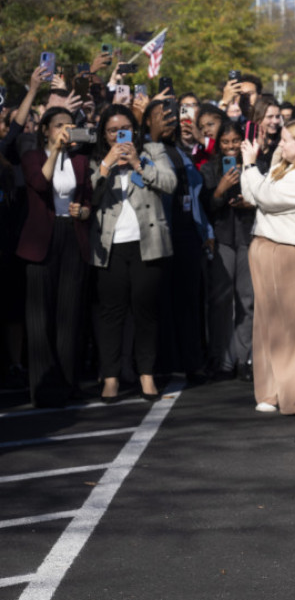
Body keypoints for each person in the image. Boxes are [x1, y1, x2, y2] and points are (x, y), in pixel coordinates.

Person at [240, 118, 295, 417]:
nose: (281, 143)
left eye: (287, 140)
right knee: (266, 323)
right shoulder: (284, 168)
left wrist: (251, 166)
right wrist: (260, 166)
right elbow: (252, 196)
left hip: (293, 252)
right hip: (264, 246)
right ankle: (270, 391)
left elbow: (267, 197)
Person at [90, 104, 177, 402]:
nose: (118, 136)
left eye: (124, 130)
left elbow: (170, 183)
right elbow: (88, 195)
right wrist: (106, 165)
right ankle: (111, 378)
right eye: (112, 131)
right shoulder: (97, 158)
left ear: (134, 130)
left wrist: (140, 164)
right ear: (104, 133)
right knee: (111, 314)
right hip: (110, 247)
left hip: (147, 243)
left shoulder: (152, 151)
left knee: (145, 313)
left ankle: (146, 375)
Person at [17, 107, 93, 406]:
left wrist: (84, 211)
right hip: (40, 241)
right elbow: (38, 183)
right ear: (46, 129)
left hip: (71, 237)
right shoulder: (33, 157)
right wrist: (55, 151)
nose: (65, 130)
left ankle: (68, 384)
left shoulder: (80, 160)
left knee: (69, 315)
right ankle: (42, 388)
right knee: (39, 316)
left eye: (69, 125)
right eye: (59, 125)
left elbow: (86, 199)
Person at [144, 100, 213, 382]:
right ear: (147, 121)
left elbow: (195, 196)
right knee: (160, 302)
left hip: (187, 233)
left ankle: (192, 361)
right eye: (160, 117)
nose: (168, 121)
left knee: (189, 302)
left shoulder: (183, 153)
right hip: (158, 232)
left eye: (171, 116)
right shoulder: (143, 149)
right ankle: (163, 362)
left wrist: (206, 232)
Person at [200, 119, 255, 381]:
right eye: (226, 142)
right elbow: (208, 207)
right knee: (220, 301)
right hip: (222, 238)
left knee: (247, 299)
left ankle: (244, 359)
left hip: (247, 236)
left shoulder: (254, 165)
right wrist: (220, 191)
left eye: (235, 141)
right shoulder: (210, 169)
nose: (231, 146)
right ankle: (221, 358)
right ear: (218, 144)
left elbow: (264, 196)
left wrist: (250, 201)